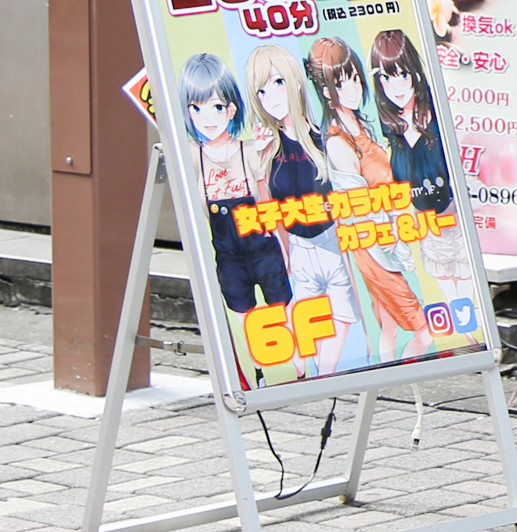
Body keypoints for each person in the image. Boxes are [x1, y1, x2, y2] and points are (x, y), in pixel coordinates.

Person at [305, 37, 428, 361]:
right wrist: (392, 248)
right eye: (343, 83)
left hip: (382, 237)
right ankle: (403, 376)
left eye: (356, 78)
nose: (355, 88)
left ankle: (387, 383)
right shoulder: (338, 142)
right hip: (372, 246)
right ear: (328, 92)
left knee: (387, 327)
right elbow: (360, 209)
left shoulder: (362, 126)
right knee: (424, 331)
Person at [247, 48, 360, 376]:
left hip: (331, 239)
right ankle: (309, 374)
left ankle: (324, 377)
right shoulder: (268, 149)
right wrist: (283, 251)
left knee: (343, 312)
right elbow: (267, 207)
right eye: (261, 91)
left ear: (296, 83)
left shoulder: (325, 137)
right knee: (304, 316)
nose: (271, 98)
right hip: (298, 246)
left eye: (278, 82)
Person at [179, 52, 290, 323]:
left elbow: (267, 203)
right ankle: (256, 369)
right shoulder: (193, 154)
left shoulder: (249, 150)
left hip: (264, 250)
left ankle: (300, 369)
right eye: (196, 108)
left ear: (231, 109)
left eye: (216, 107)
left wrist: (285, 253)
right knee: (248, 328)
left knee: (286, 322)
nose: (206, 118)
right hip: (229, 259)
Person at [371, 30, 472, 289]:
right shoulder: (387, 127)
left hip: (458, 216)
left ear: (415, 73)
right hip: (424, 224)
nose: (397, 87)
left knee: (467, 277)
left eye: (403, 75)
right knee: (445, 280)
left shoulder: (438, 111)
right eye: (386, 77)